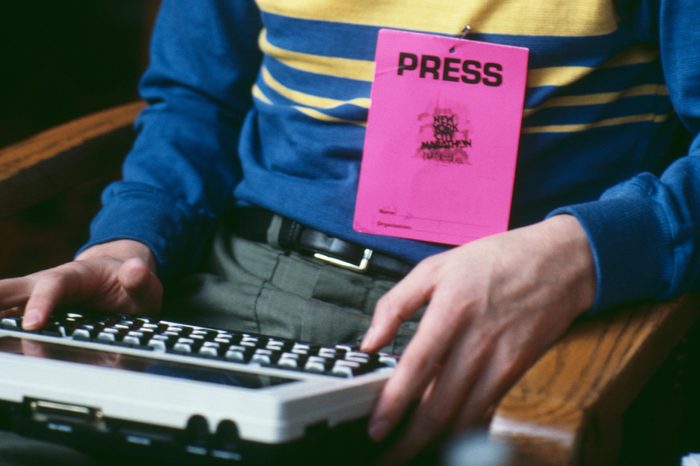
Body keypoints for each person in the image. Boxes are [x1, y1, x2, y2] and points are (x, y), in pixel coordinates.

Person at [1, 1, 698, 464]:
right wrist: (127, 243)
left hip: (522, 317)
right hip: (245, 281)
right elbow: (195, 101)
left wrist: (579, 253)